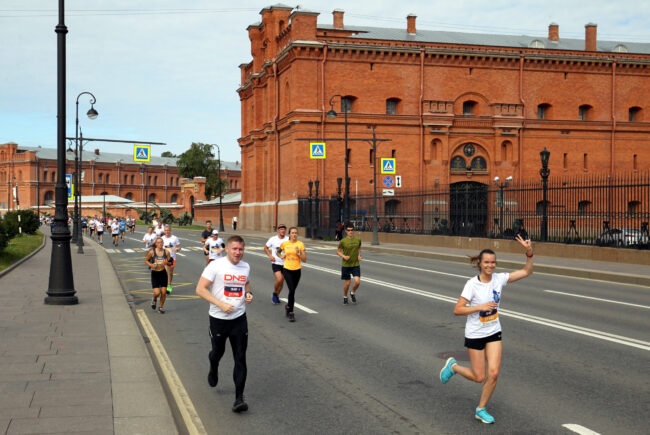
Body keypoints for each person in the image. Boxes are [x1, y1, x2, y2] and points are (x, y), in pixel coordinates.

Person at [439, 235, 534, 424]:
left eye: (493, 262)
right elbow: (457, 309)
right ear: (480, 264)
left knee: (494, 373)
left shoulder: (499, 279)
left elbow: (526, 272)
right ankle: (454, 366)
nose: (490, 266)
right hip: (475, 334)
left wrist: (529, 252)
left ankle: (481, 409)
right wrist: (479, 307)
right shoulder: (471, 285)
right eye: (487, 263)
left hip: (493, 331)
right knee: (478, 376)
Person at [195, 235, 253, 413]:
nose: (238, 252)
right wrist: (220, 304)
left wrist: (248, 295)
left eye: (241, 249)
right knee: (217, 352)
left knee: (240, 357)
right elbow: (200, 289)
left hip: (239, 319)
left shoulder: (246, 267)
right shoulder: (215, 265)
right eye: (234, 249)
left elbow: (246, 284)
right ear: (227, 249)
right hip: (218, 319)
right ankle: (214, 367)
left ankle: (238, 399)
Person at [279, 227, 306, 322]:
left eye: (296, 233)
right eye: (292, 233)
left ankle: (288, 306)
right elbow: (278, 251)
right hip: (287, 269)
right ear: (289, 234)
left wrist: (299, 252)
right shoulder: (285, 244)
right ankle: (291, 312)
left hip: (297, 270)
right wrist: (280, 255)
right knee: (291, 290)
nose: (294, 234)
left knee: (292, 291)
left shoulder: (300, 244)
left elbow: (304, 259)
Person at [336, 223, 362, 305]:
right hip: (346, 265)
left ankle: (352, 293)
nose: (350, 231)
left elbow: (359, 248)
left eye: (352, 230)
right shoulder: (343, 241)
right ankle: (345, 296)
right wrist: (344, 256)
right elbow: (338, 251)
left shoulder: (357, 240)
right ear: (346, 231)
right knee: (347, 283)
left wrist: (358, 256)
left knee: (357, 282)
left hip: (355, 264)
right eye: (349, 230)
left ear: (354, 230)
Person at [145, 237, 172, 313]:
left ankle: (160, 308)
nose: (160, 244)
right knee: (157, 293)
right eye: (158, 242)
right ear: (156, 244)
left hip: (163, 273)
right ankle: (154, 299)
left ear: (163, 243)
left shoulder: (166, 252)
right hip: (155, 274)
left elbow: (171, 262)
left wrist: (167, 263)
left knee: (163, 292)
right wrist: (151, 265)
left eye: (161, 242)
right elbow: (146, 260)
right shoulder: (152, 252)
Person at [264, 224, 287, 305]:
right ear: (278, 230)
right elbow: (265, 248)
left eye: (284, 229)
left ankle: (276, 295)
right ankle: (274, 293)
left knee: (282, 282)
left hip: (286, 264)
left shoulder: (288, 239)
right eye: (281, 229)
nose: (283, 230)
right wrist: (270, 256)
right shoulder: (273, 239)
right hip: (276, 263)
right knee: (279, 279)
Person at [162, 225, 181, 293]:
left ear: (170, 230)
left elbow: (179, 247)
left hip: (172, 258)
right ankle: (167, 286)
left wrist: (177, 250)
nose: (167, 231)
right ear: (164, 231)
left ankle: (169, 284)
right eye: (166, 230)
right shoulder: (162, 238)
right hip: (165, 257)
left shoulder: (175, 238)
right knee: (167, 271)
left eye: (168, 230)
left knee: (170, 272)